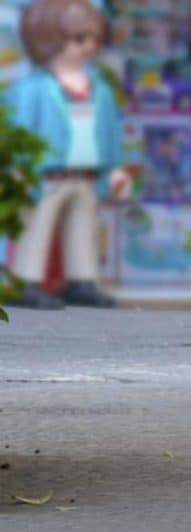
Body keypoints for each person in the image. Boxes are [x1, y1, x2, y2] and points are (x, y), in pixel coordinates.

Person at [6, 0, 130, 309]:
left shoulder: (99, 89)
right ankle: (25, 280)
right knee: (36, 226)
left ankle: (82, 278)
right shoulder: (30, 90)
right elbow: (19, 130)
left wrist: (114, 168)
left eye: (93, 39)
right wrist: (17, 168)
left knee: (83, 227)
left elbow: (109, 132)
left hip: (86, 173)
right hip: (44, 174)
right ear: (46, 41)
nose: (88, 46)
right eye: (78, 39)